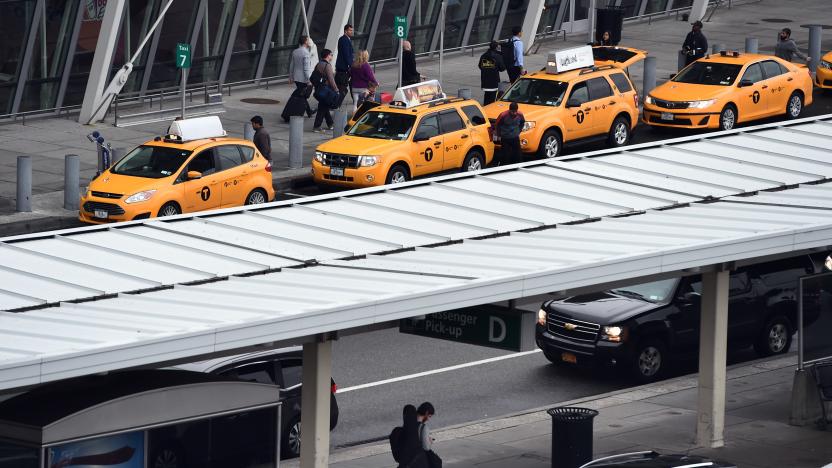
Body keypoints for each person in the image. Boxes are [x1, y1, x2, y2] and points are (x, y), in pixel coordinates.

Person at [312, 49, 338, 132]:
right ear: (327, 55)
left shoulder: (318, 64)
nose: (332, 56)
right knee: (322, 108)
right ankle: (316, 126)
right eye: (331, 54)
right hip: (325, 90)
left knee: (324, 106)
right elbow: (331, 80)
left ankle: (330, 124)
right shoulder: (327, 66)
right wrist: (336, 90)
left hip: (319, 89)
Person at [288, 35, 314, 117]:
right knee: (302, 96)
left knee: (302, 95)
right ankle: (304, 112)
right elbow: (306, 68)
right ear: (305, 42)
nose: (309, 42)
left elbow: (292, 65)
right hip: (303, 78)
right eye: (308, 40)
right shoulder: (306, 53)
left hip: (296, 77)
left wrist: (291, 76)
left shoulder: (295, 51)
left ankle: (309, 112)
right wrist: (308, 80)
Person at [478, 41, 506, 105]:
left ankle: (485, 108)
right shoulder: (498, 56)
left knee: (487, 96)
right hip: (494, 80)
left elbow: (480, 66)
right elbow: (502, 68)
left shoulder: (483, 55)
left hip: (485, 80)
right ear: (496, 47)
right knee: (492, 98)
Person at [417, 402, 442, 468]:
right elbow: (426, 447)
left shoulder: (409, 424)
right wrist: (429, 441)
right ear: (426, 413)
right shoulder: (423, 427)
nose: (428, 419)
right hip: (420, 458)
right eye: (429, 416)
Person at [335, 24, 354, 101]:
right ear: (345, 31)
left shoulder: (345, 39)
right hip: (344, 67)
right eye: (350, 30)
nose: (351, 32)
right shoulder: (344, 40)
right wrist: (351, 65)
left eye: (352, 30)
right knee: (343, 86)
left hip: (343, 66)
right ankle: (336, 103)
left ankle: (354, 99)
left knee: (349, 83)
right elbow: (346, 54)